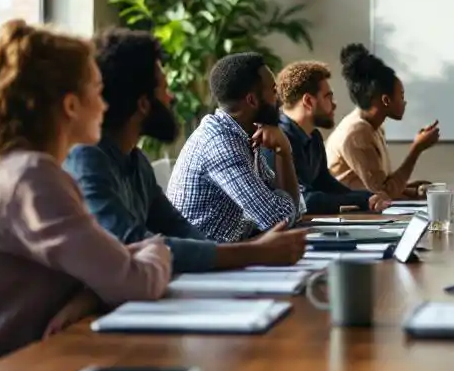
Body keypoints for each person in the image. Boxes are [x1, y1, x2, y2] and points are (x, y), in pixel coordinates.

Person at [0, 21, 172, 371]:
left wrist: (90, 293)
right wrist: (159, 248)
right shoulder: (32, 178)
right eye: (98, 91)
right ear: (71, 105)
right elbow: (135, 282)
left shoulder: (16, 168)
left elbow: (106, 267)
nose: (105, 104)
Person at [64, 28, 307, 271]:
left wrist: (250, 253)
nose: (172, 98)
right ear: (144, 104)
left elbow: (179, 230)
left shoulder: (135, 160)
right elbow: (132, 245)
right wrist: (254, 253)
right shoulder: (88, 159)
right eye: (164, 89)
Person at [167, 52, 306, 242]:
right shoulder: (221, 144)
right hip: (204, 257)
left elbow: (289, 210)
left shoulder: (241, 134)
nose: (280, 100)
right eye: (274, 91)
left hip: (231, 250)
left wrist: (283, 151)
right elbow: (278, 220)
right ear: (252, 100)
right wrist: (284, 152)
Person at [266, 60, 392, 215]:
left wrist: (369, 196)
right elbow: (304, 200)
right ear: (308, 101)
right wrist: (361, 200)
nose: (334, 104)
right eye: (328, 97)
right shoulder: (278, 139)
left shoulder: (314, 136)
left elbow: (326, 184)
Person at [325, 44, 440, 199]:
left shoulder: (373, 127)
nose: (405, 102)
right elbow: (383, 193)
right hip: (350, 210)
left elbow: (383, 182)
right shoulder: (356, 134)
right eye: (401, 95)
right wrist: (416, 149)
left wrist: (414, 190)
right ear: (386, 100)